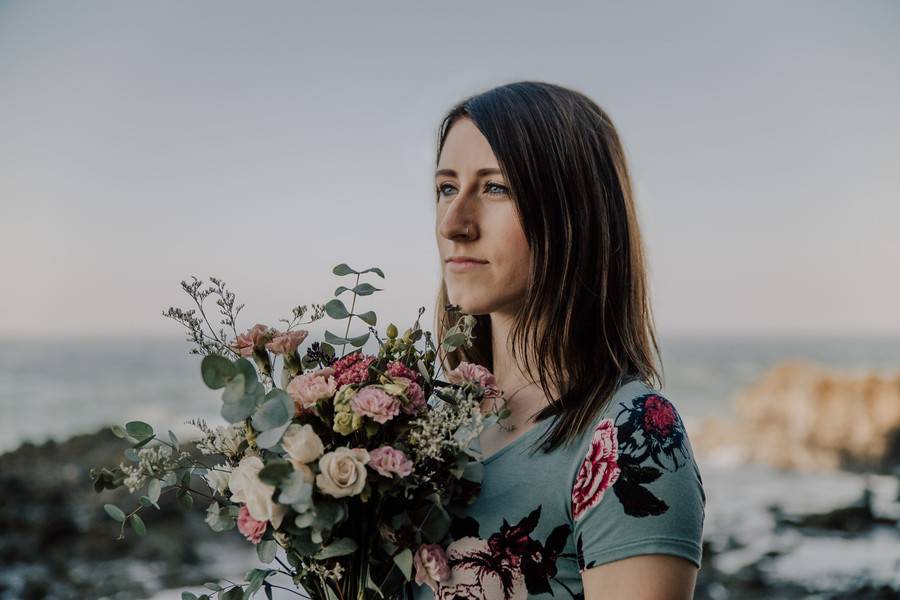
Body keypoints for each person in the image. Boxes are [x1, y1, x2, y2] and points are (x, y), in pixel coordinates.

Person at [418, 81, 706, 600]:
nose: (452, 223)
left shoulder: (631, 437)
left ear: (572, 212)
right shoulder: (429, 427)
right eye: (446, 188)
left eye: (495, 187)